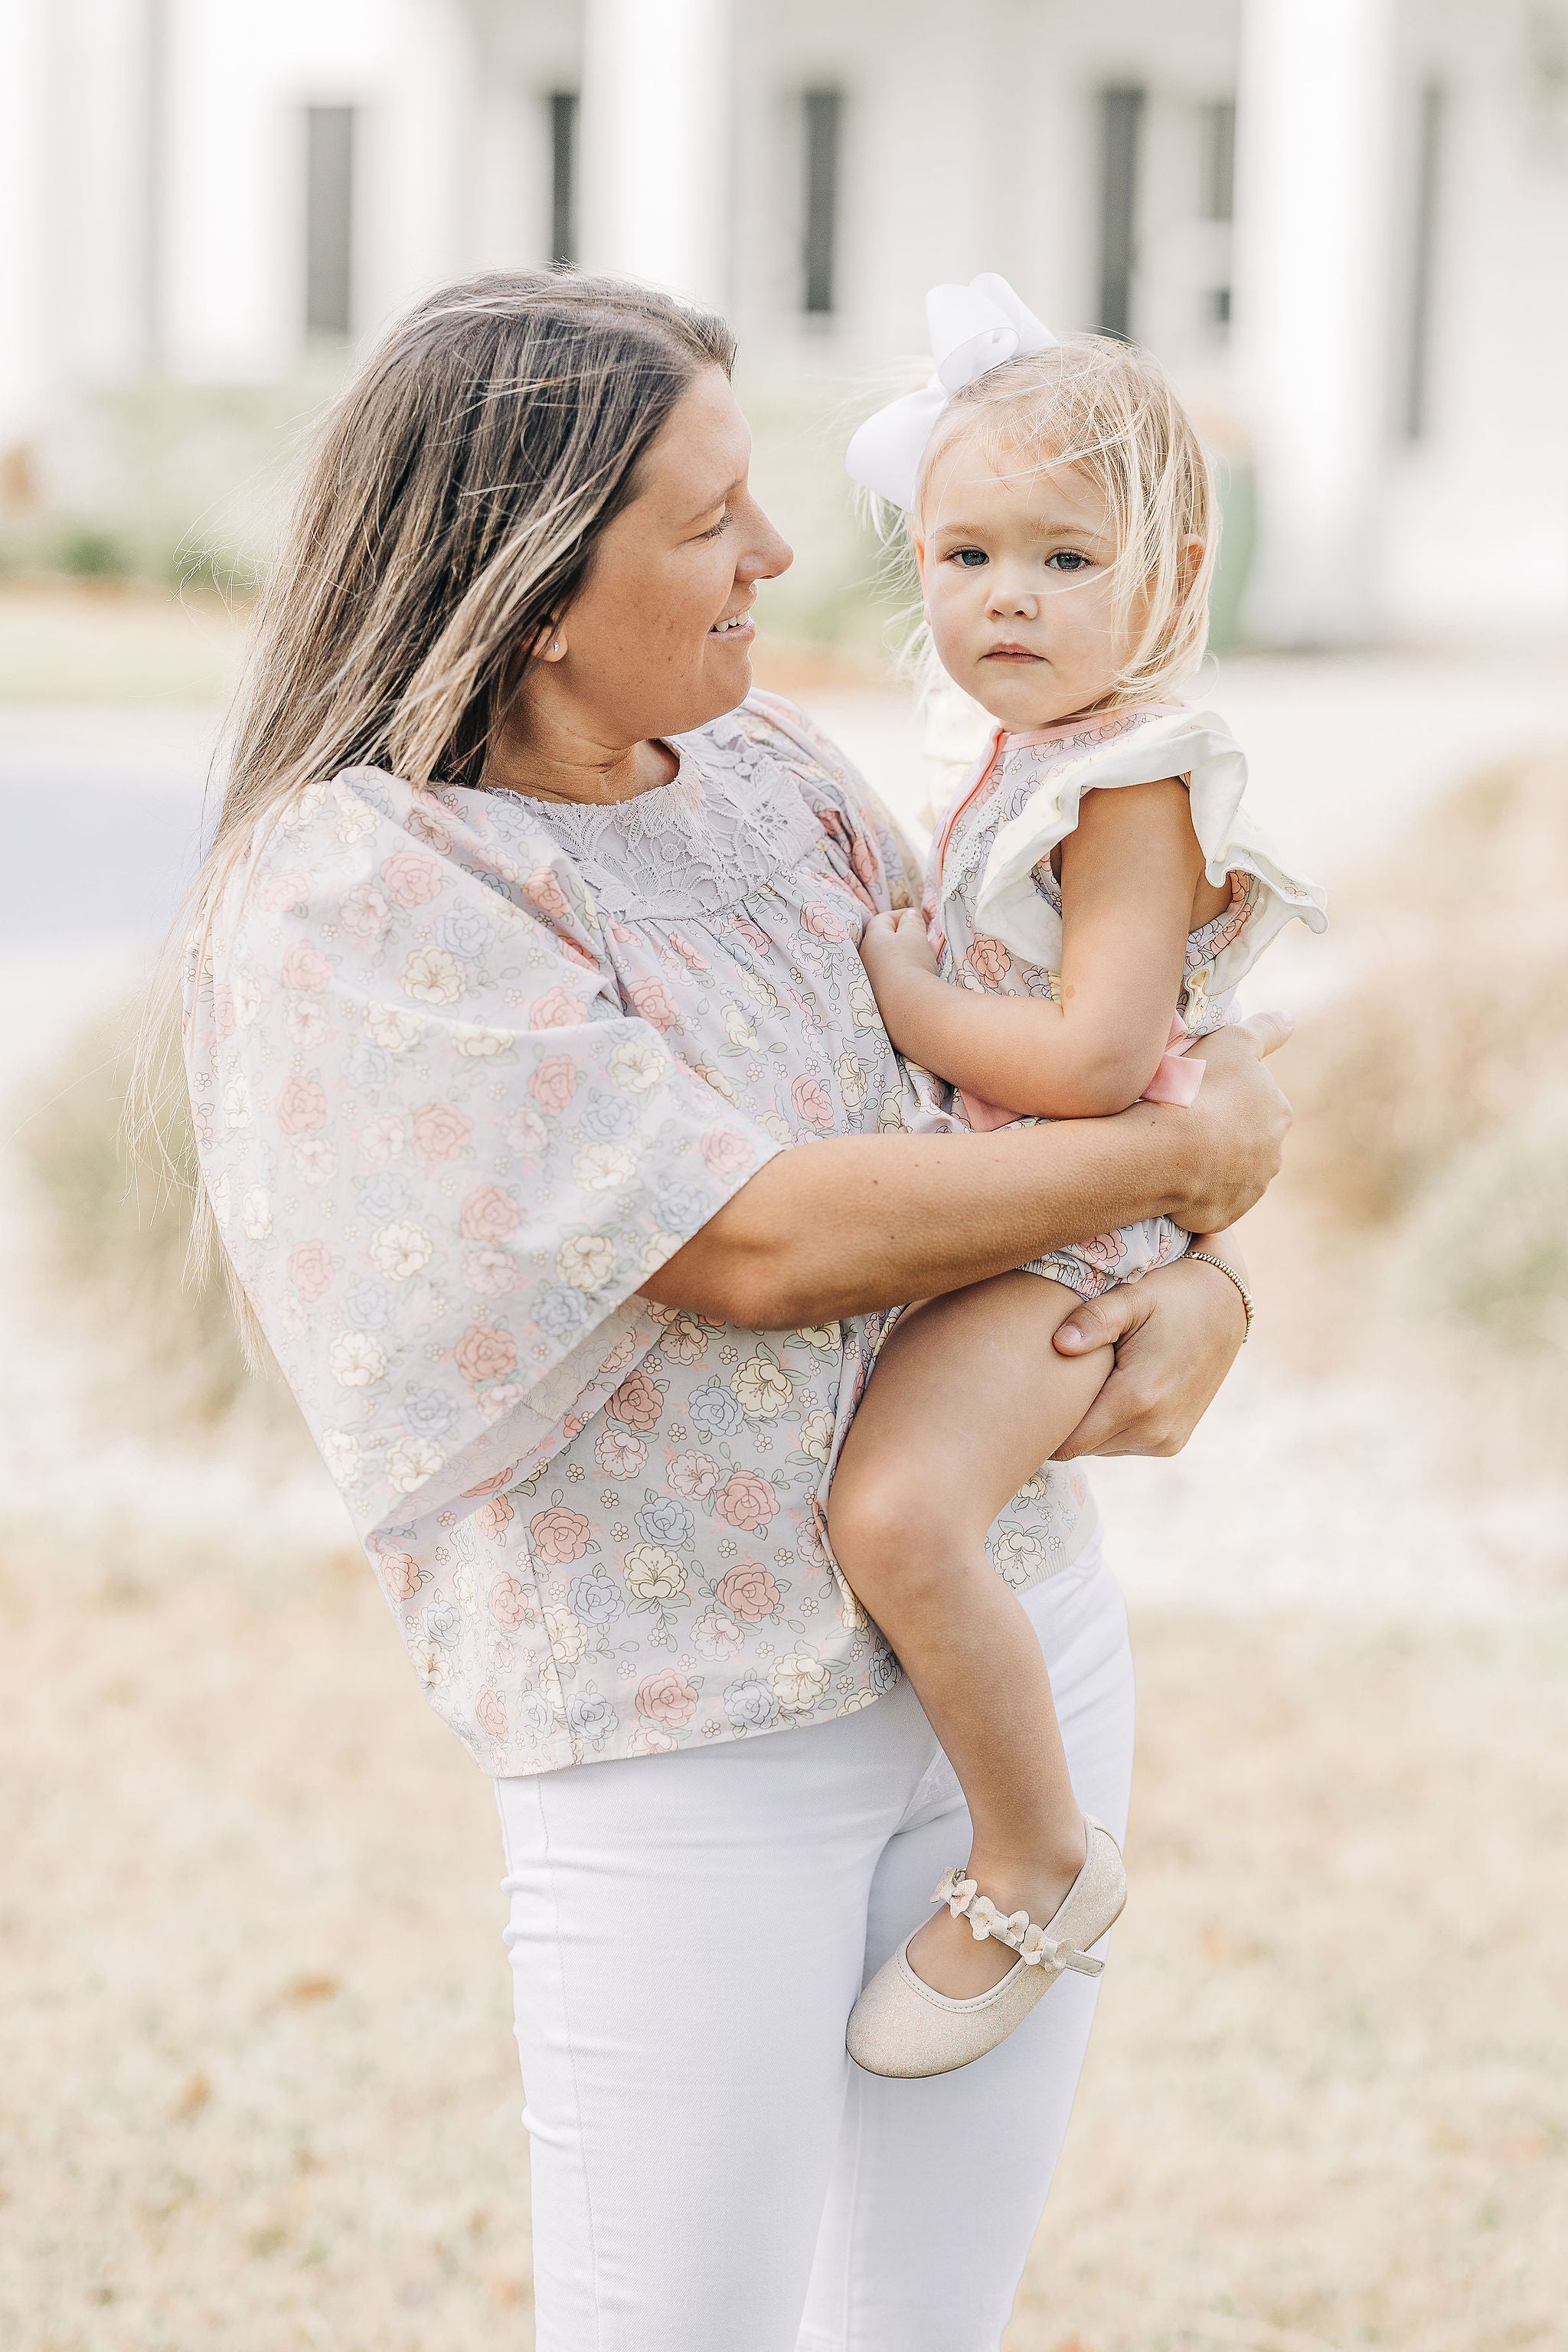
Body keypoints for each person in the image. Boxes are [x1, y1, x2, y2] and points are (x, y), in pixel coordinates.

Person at [178, 270, 1292, 2352]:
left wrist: (1214, 1276)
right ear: (527, 582)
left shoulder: (767, 773)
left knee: (922, 2326)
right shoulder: (373, 883)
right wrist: (1187, 1174)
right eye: (712, 519)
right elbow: (757, 1235)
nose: (783, 554)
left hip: (1005, 1646)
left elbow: (1036, 1064)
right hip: (685, 1732)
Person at [827, 276, 1326, 2078]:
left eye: (1059, 558)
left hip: (1067, 1220)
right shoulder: (1026, 756)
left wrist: (908, 995)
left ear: (1171, 578)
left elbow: (1099, 1062)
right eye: (964, 556)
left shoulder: (1133, 783)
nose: (1003, 600)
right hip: (1010, 1192)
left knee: (894, 1513)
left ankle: (1036, 1851)